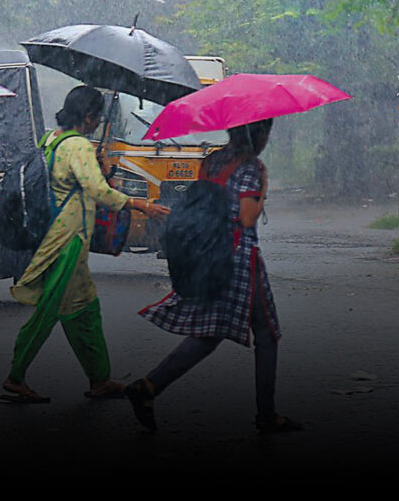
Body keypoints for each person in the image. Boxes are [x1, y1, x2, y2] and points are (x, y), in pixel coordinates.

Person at [127, 118, 302, 433]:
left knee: (214, 333)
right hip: (239, 256)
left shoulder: (212, 159)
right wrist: (262, 184)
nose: (266, 139)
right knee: (265, 334)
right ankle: (266, 414)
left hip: (210, 253)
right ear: (258, 134)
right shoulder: (250, 167)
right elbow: (248, 217)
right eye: (266, 132)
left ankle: (150, 386)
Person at [3, 86, 169, 402]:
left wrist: (103, 168)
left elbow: (78, 182)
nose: (96, 125)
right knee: (49, 310)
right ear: (89, 116)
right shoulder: (78, 145)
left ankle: (99, 379)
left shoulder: (53, 139)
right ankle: (15, 376)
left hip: (60, 234)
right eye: (96, 118)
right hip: (66, 240)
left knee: (85, 308)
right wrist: (142, 205)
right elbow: (99, 192)